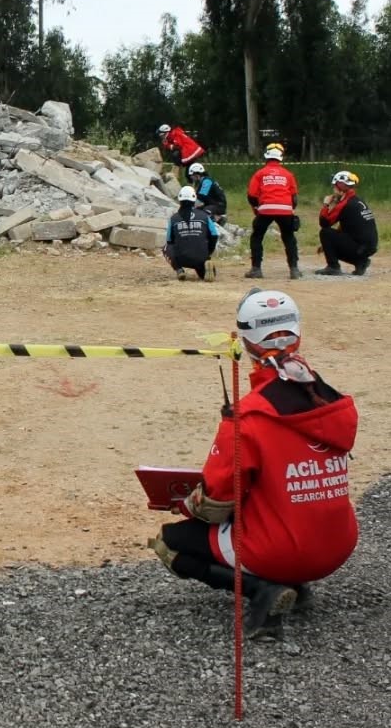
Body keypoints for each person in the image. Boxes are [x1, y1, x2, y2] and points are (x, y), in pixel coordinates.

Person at [148, 288, 360, 637]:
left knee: (170, 541)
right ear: (299, 335)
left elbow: (216, 500)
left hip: (284, 548)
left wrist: (185, 505)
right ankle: (298, 587)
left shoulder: (247, 419)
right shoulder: (334, 403)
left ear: (245, 342)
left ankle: (264, 590)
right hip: (339, 544)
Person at [245, 144, 301, 280]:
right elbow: (294, 197)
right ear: (280, 158)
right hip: (285, 209)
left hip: (265, 209)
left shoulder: (260, 173)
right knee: (289, 238)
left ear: (266, 158)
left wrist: (257, 209)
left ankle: (256, 269)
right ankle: (294, 270)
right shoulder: (288, 174)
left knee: (257, 236)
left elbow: (252, 195)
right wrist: (290, 210)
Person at [314, 171, 378, 277]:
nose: (333, 189)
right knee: (331, 236)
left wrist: (326, 204)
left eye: (334, 186)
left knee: (325, 233)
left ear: (340, 186)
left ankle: (333, 267)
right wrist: (327, 246)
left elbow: (324, 223)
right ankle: (360, 263)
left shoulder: (345, 203)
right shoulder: (357, 200)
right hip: (369, 247)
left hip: (360, 247)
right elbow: (347, 226)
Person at [165, 186, 220, 281]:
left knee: (166, 247)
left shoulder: (174, 218)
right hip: (201, 257)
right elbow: (214, 235)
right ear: (194, 200)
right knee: (202, 270)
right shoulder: (204, 216)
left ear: (179, 200)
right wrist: (208, 252)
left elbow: (169, 240)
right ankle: (207, 265)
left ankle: (179, 270)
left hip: (181, 258)